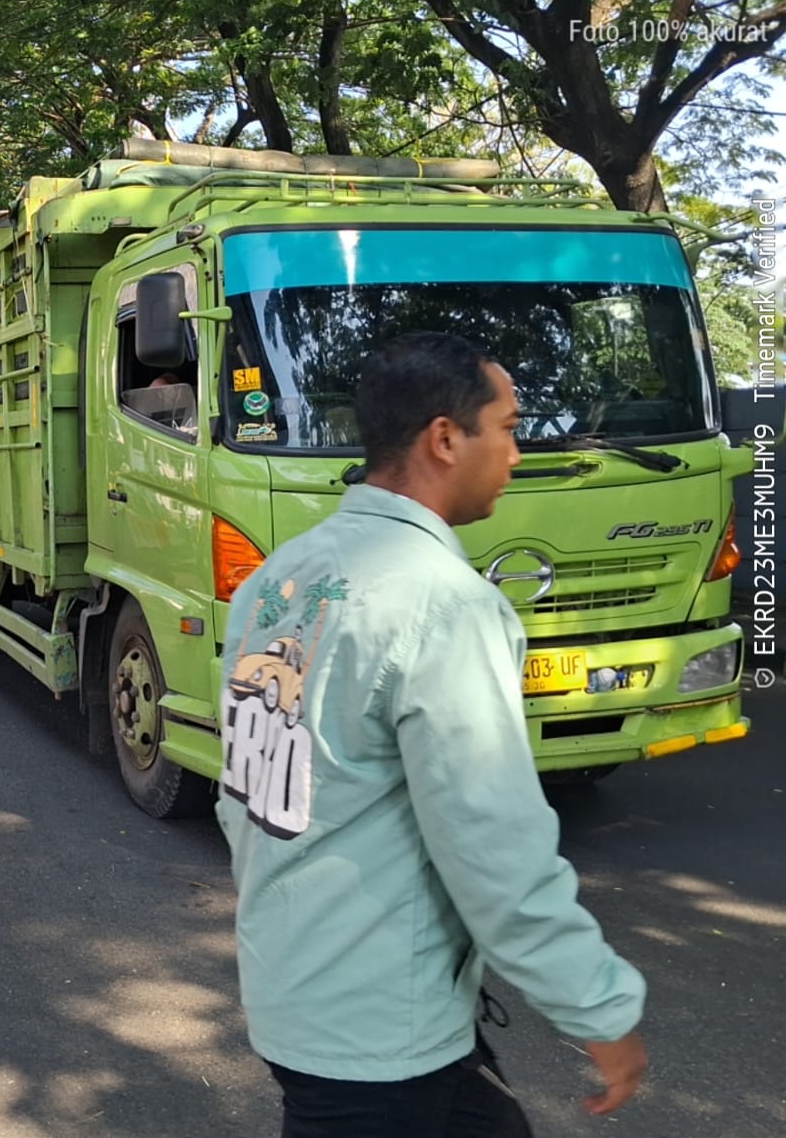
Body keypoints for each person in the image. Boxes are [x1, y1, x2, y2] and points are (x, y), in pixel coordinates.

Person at [217, 332, 646, 1136]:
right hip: (376, 1027)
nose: (515, 454)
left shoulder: (279, 577)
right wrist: (597, 1006)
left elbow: (244, 789)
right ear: (445, 438)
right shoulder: (443, 603)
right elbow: (494, 843)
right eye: (508, 428)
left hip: (300, 982)